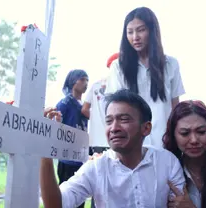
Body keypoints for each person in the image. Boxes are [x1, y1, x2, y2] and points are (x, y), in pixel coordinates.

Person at [40, 89, 185, 208]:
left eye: (124, 119)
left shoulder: (167, 162)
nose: (114, 128)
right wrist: (46, 153)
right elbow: (55, 205)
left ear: (146, 128)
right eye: (109, 121)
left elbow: (180, 204)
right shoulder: (96, 168)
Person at [105, 7, 185, 149]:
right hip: (132, 145)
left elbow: (175, 107)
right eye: (130, 32)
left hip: (164, 142)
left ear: (152, 31)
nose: (135, 37)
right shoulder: (118, 66)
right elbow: (115, 108)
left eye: (141, 30)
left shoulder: (170, 64)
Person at [55, 69, 89, 208]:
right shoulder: (65, 103)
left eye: (87, 80)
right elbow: (57, 127)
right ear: (73, 81)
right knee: (65, 199)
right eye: (82, 79)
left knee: (80, 199)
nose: (86, 83)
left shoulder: (85, 106)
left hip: (81, 159)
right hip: (67, 159)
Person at [82, 53, 118, 154]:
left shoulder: (96, 85)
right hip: (116, 138)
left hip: (96, 139)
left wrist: (96, 119)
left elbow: (84, 109)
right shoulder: (123, 86)